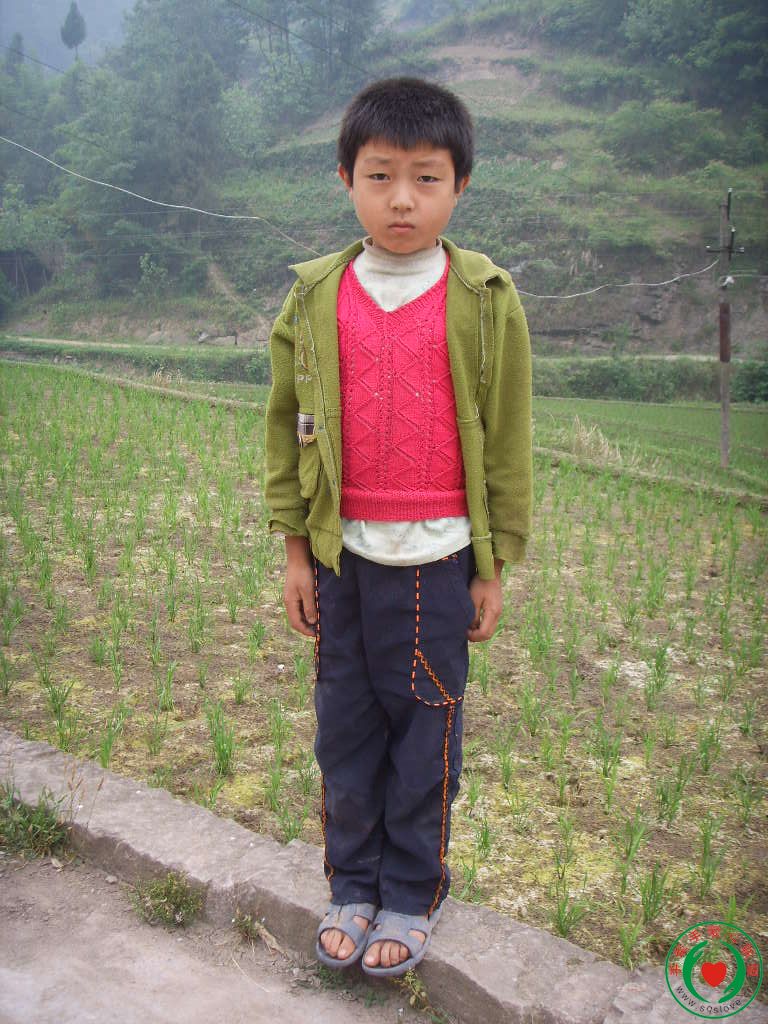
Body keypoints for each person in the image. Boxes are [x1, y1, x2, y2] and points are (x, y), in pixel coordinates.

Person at [264, 76, 532, 978]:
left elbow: (507, 439)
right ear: (346, 179)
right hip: (342, 558)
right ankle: (352, 886)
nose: (403, 199)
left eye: (426, 178)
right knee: (344, 731)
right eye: (380, 176)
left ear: (461, 185)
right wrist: (296, 552)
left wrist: (495, 565)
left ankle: (412, 893)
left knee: (426, 737)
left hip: (440, 561)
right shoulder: (315, 296)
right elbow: (286, 428)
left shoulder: (484, 297)